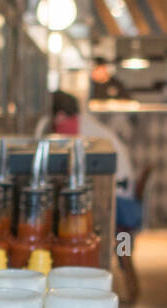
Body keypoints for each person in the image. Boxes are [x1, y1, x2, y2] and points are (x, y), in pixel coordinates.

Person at [34, 90, 142, 231]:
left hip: (119, 203)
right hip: (123, 196)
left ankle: (118, 248)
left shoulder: (76, 130)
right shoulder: (84, 123)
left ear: (60, 115)